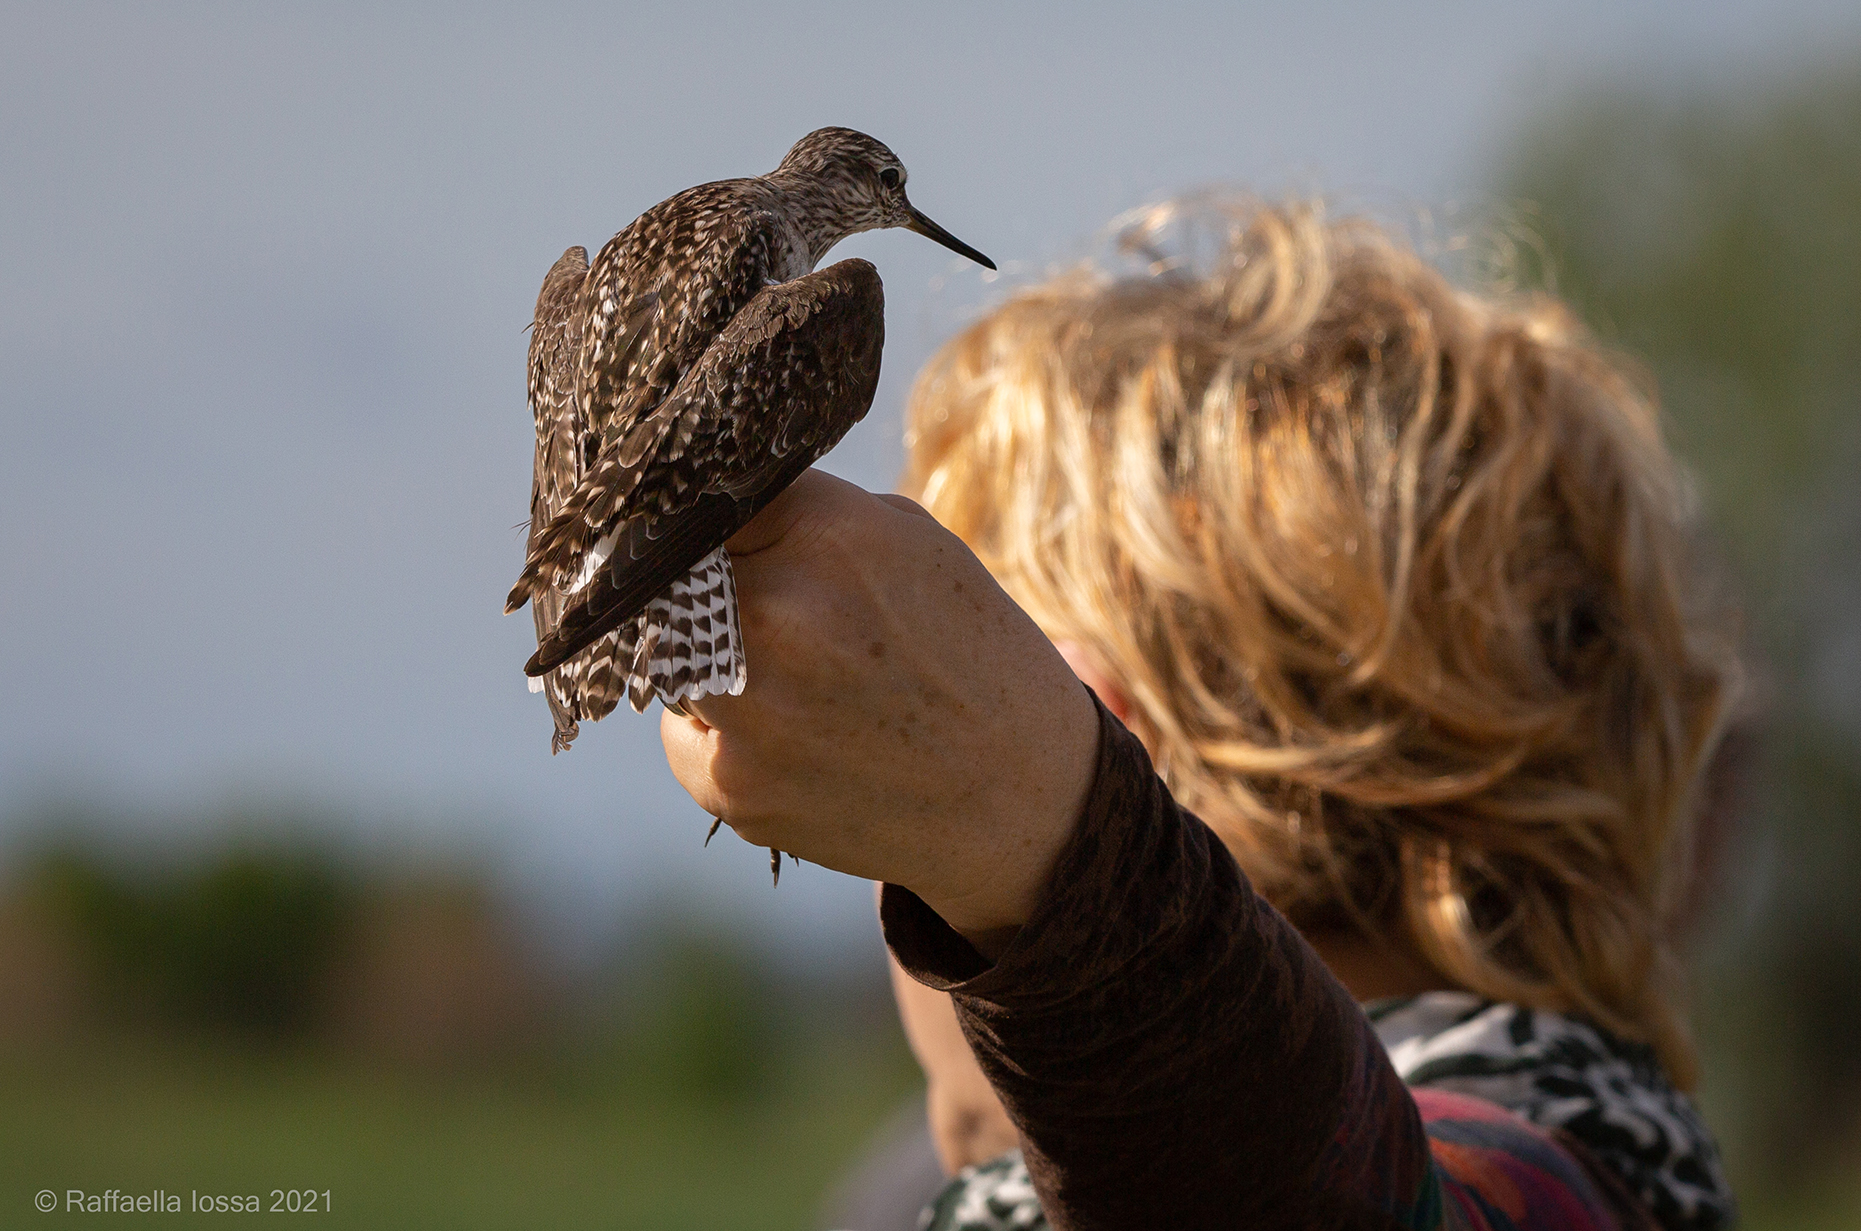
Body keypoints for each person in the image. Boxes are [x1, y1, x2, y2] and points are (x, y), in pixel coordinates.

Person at [662, 200, 1742, 1230]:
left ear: (1110, 733)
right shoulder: (923, 1193)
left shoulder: (1568, 1158)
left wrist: (1051, 860)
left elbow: (1325, 1202)